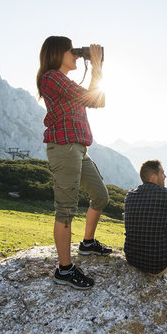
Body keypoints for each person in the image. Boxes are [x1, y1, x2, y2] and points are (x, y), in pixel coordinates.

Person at [37, 36, 112, 290]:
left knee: (100, 196)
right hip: (64, 147)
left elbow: (96, 100)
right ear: (57, 53)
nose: (77, 55)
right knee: (66, 209)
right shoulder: (51, 77)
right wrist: (97, 66)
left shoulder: (63, 81)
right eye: (72, 51)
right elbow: (93, 99)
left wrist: (95, 66)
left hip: (79, 147)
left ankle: (87, 243)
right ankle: (65, 270)